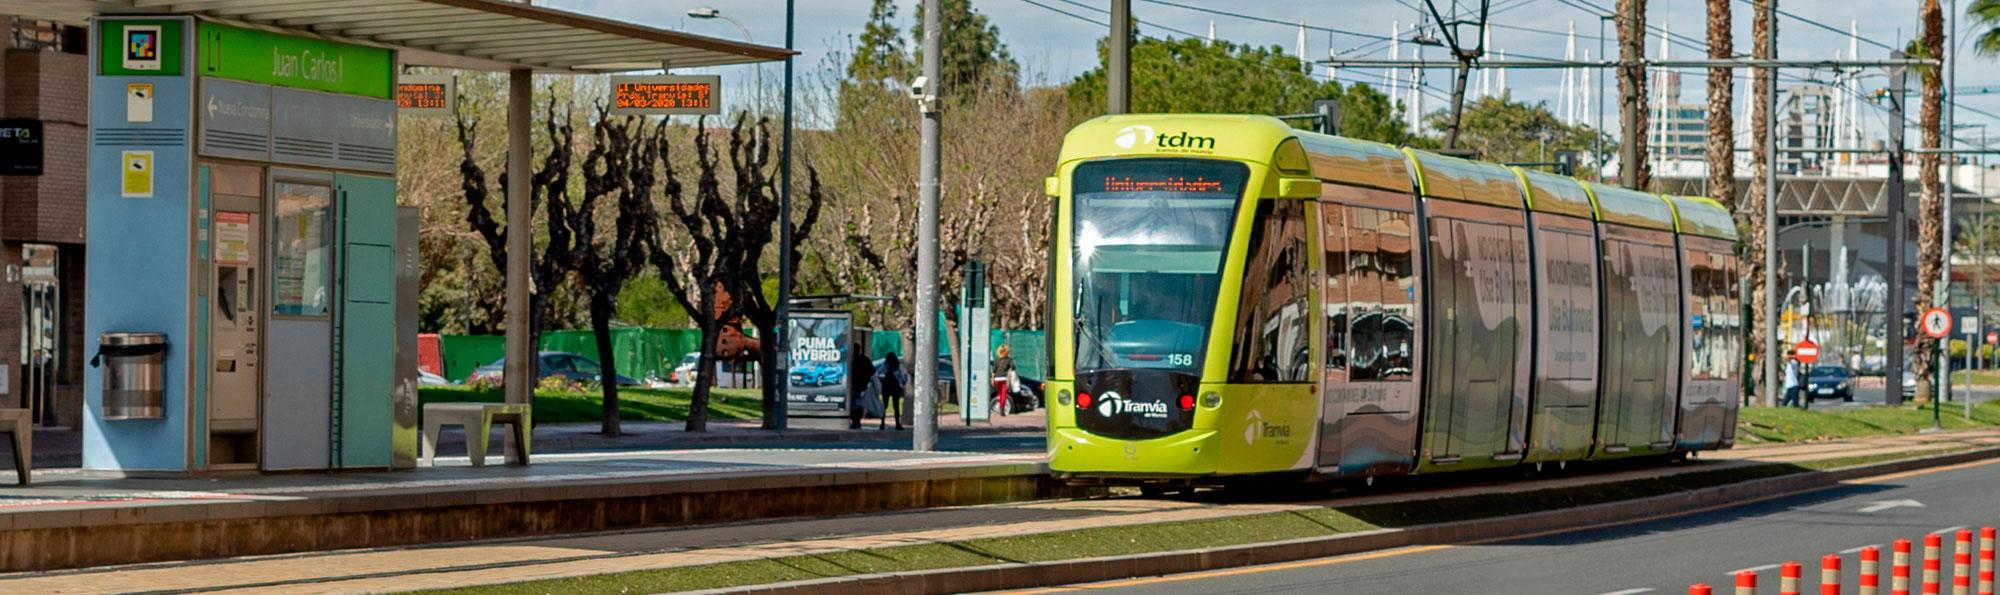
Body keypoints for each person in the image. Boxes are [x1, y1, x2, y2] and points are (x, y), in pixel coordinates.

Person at [847, 341, 877, 429]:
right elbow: (872, 371)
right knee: (859, 403)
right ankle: (857, 421)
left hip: (853, 385)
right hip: (862, 385)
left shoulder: (850, 360)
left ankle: (854, 421)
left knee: (853, 403)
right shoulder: (865, 359)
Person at [879, 352, 907, 430]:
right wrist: (902, 384)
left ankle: (882, 423)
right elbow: (903, 377)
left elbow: (878, 373)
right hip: (895, 387)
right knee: (896, 406)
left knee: (884, 405)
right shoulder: (898, 366)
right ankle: (897, 423)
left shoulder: (885, 365)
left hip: (886, 387)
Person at [992, 344, 1017, 416]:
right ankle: (1002, 409)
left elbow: (994, 371)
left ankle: (1000, 405)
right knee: (1003, 395)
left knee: (999, 394)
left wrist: (992, 380)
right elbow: (1013, 368)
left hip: (997, 379)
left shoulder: (996, 359)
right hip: (1004, 379)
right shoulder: (1009, 359)